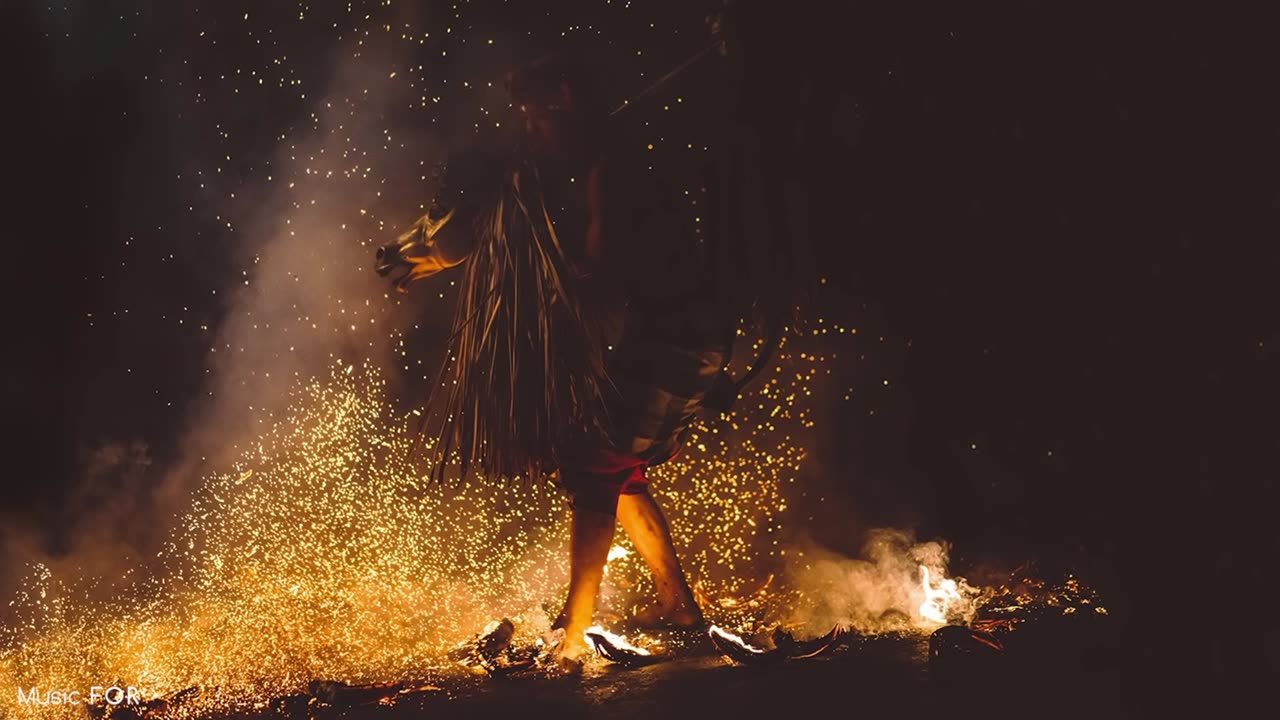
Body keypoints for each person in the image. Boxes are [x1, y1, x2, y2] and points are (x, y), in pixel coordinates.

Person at [378, 50, 733, 664]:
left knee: (595, 462)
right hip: (675, 327)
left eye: (534, 116)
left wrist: (554, 299)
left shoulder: (610, 168)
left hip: (679, 329)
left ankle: (574, 635)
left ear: (563, 99)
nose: (530, 129)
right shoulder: (595, 160)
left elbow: (606, 269)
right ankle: (677, 605)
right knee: (618, 469)